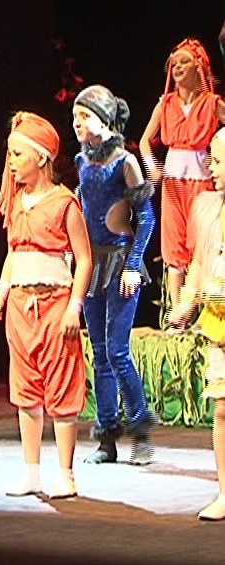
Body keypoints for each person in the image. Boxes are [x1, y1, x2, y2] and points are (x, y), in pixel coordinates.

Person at [0, 111, 91, 498]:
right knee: (25, 389)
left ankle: (65, 474)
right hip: (20, 306)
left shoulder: (64, 203)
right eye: (10, 154)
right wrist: (2, 291)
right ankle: (31, 472)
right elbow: (13, 252)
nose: (11, 162)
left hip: (54, 304)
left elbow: (84, 258)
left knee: (61, 387)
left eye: (18, 154)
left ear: (42, 157)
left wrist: (74, 307)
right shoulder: (16, 202)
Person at [73, 85, 156, 464]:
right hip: (92, 264)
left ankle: (141, 434)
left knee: (118, 351)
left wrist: (134, 264)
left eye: (85, 116)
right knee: (100, 353)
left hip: (120, 263)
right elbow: (83, 210)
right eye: (75, 117)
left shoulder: (125, 162)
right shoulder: (81, 161)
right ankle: (106, 438)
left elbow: (147, 217)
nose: (77, 123)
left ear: (105, 120)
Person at [139, 38, 225, 325]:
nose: (176, 68)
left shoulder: (212, 104)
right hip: (173, 186)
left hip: (203, 184)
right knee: (174, 246)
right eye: (173, 63)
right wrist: (153, 167)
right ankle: (177, 317)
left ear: (199, 66)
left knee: (203, 245)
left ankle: (203, 315)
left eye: (183, 62)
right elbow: (145, 141)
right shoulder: (165, 105)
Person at [168, 127, 225, 520]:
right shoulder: (208, 210)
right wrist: (186, 304)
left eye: (218, 160)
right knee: (222, 409)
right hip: (220, 324)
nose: (211, 167)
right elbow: (199, 265)